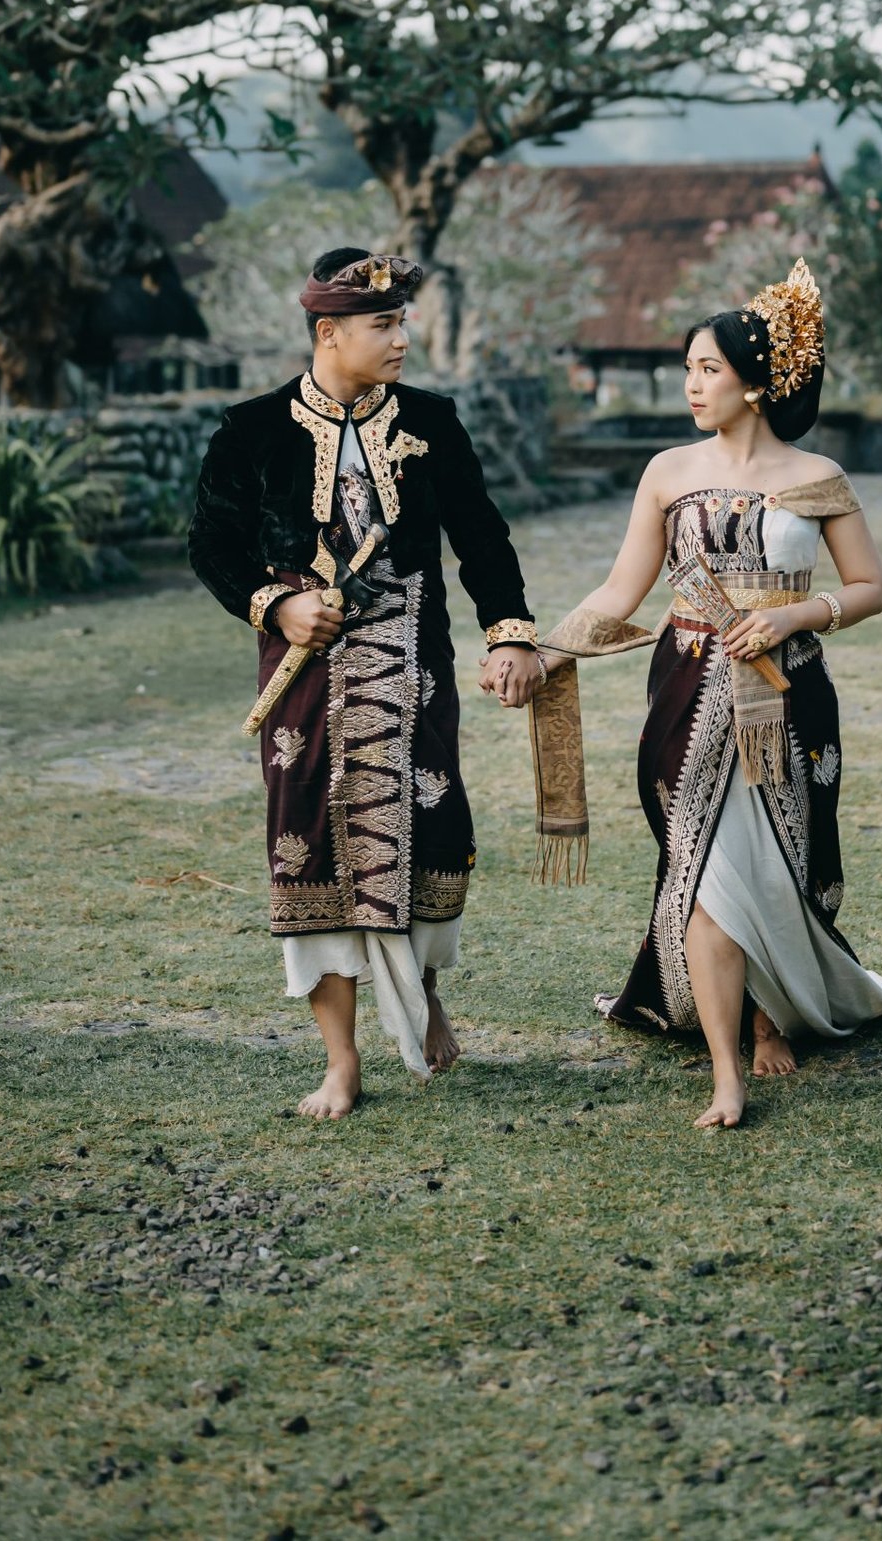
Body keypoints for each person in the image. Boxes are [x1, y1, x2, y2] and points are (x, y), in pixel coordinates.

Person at [539, 260, 882, 1129]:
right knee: (703, 872)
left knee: (778, 863)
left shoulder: (818, 474)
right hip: (688, 696)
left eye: (708, 368)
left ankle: (773, 1014)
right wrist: (543, 651)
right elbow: (620, 590)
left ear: (756, 382)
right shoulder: (668, 471)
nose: (692, 385)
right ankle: (726, 1070)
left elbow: (870, 588)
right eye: (688, 369)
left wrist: (792, 616)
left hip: (790, 694)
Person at [188, 248, 543, 1119]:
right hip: (308, 677)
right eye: (383, 324)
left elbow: (481, 535)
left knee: (431, 825)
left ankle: (421, 993)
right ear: (329, 332)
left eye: (401, 321)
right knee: (308, 842)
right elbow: (211, 544)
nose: (401, 339)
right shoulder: (251, 429)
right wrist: (276, 605)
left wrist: (510, 632)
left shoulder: (433, 421)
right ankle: (341, 1060)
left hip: (415, 661)